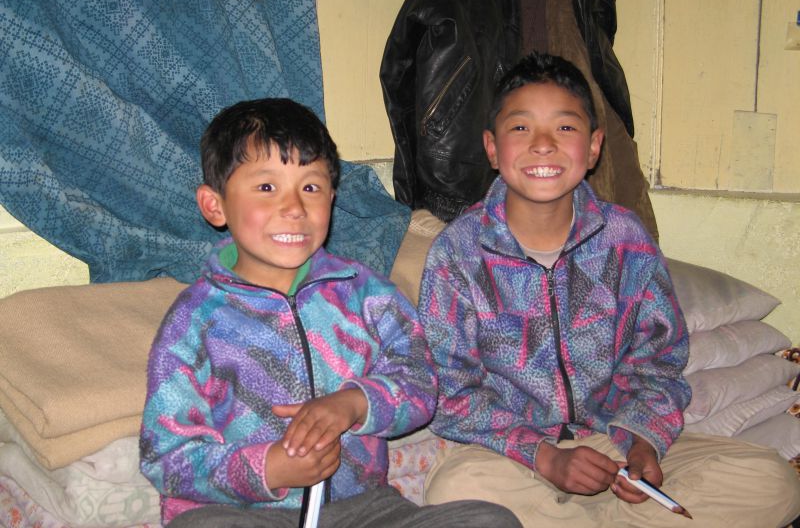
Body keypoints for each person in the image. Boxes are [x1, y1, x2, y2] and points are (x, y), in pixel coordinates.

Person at [418, 53, 800, 527]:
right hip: (514, 454)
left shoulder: (624, 240)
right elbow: (448, 392)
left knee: (773, 481)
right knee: (455, 490)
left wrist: (644, 443)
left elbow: (658, 363)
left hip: (614, 441)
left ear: (594, 146)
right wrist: (544, 456)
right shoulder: (458, 253)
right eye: (520, 128)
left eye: (564, 127)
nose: (543, 144)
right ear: (492, 148)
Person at [139, 98, 521, 528]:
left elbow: (420, 384)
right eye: (266, 188)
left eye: (311, 187)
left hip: (364, 509)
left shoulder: (367, 294)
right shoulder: (195, 320)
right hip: (243, 514)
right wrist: (268, 469)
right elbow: (165, 457)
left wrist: (356, 402)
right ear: (215, 205)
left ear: (332, 198)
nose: (294, 208)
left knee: (489, 521)